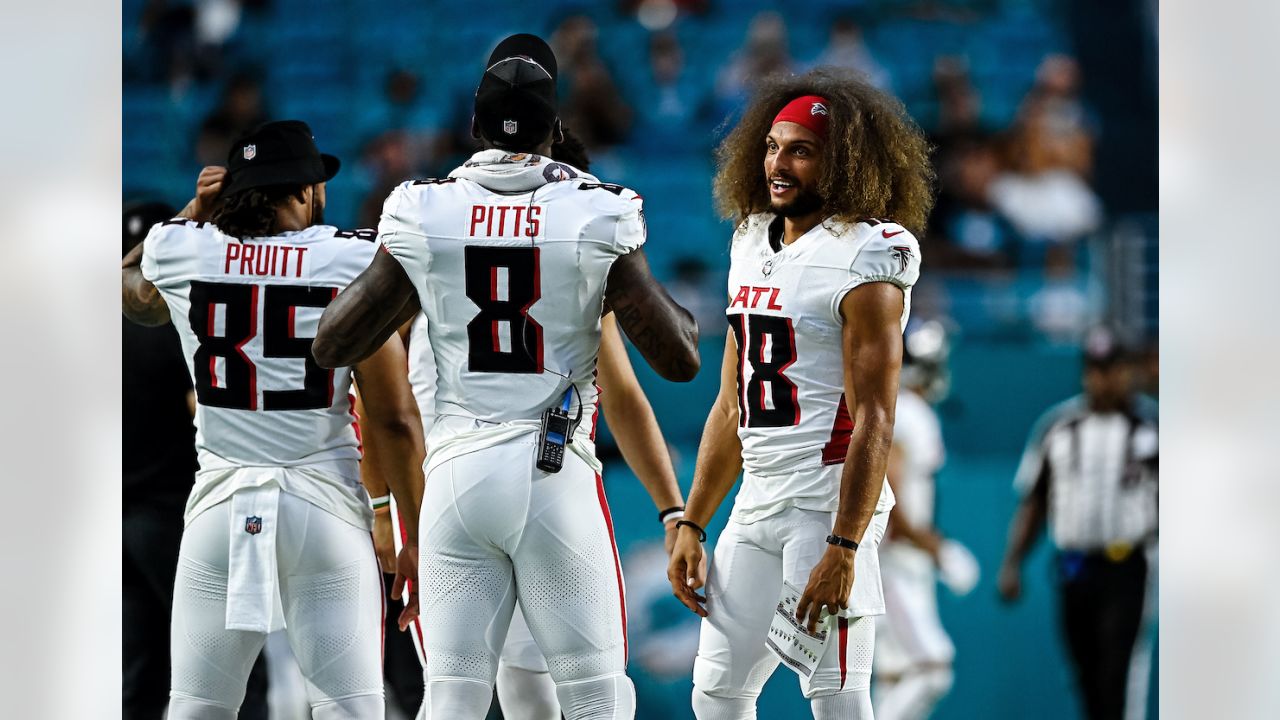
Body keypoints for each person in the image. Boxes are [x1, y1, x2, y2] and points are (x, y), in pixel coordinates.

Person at [313, 33, 700, 720]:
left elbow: (335, 342)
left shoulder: (423, 209)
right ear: (556, 127)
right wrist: (616, 270)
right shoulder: (595, 208)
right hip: (553, 472)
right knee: (594, 695)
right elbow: (678, 359)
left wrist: (421, 281)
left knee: (454, 698)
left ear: (473, 125)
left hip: (455, 471)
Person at [121, 119, 426, 720]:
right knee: (349, 708)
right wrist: (412, 533)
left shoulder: (180, 248)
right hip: (322, 505)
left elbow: (127, 282)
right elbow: (393, 419)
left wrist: (192, 211)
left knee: (197, 708)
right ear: (307, 190)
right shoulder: (350, 258)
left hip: (218, 507)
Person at [667, 67, 934, 720]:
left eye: (800, 150)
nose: (777, 163)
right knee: (717, 693)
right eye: (772, 146)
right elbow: (732, 404)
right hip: (758, 500)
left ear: (840, 162)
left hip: (825, 502)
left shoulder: (870, 253)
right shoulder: (750, 240)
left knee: (838, 696)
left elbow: (875, 415)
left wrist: (845, 546)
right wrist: (693, 520)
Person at [122, 200, 271, 720]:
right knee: (234, 670)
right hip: (173, 517)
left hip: (116, 518)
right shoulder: (181, 328)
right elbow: (201, 407)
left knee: (137, 675)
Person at [998, 327, 1158, 720]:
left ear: (1128, 371)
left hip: (1129, 565)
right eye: (1096, 369)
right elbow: (1035, 502)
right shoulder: (1058, 427)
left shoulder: (1153, 428)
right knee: (1084, 674)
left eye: (1114, 369)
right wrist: (1013, 562)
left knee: (1116, 671)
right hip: (1075, 566)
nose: (1105, 379)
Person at [873, 320, 962, 720]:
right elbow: (886, 495)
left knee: (894, 673)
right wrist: (934, 547)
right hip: (896, 561)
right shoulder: (909, 412)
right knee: (932, 669)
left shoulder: (895, 407)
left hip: (896, 559)